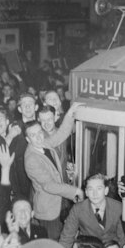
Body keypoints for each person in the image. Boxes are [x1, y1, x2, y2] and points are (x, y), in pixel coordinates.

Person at [24, 103, 84, 240]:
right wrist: (75, 191)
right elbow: (49, 185)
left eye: (40, 133)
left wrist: (70, 113)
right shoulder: (31, 159)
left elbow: (61, 135)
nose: (39, 137)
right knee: (52, 245)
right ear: (28, 139)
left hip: (60, 203)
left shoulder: (43, 144)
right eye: (33, 135)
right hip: (49, 211)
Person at [60, 173, 125, 248]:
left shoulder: (118, 207)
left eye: (99, 188)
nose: (95, 194)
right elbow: (66, 238)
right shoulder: (78, 209)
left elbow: (123, 239)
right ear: (86, 192)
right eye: (90, 189)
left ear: (106, 190)